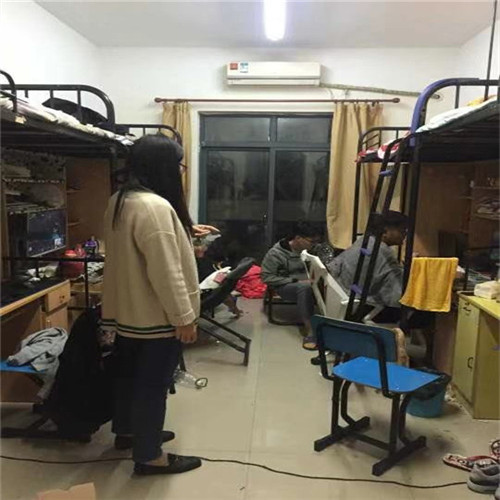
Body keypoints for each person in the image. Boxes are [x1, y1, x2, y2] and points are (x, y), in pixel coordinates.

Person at [102, 134, 217, 476]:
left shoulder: (121, 200)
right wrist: (184, 318)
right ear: (163, 167)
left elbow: (142, 248)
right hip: (155, 318)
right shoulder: (155, 208)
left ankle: (129, 432)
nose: (180, 171)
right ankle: (149, 455)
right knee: (152, 388)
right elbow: (167, 272)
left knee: (130, 380)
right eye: (178, 164)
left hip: (129, 314)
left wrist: (184, 230)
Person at [261, 222, 322, 350]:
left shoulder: (310, 250)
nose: (314, 245)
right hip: (285, 286)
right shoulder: (276, 254)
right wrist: (296, 281)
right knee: (304, 288)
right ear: (298, 238)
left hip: (309, 281)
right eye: (311, 241)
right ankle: (310, 330)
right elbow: (267, 278)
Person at [329, 211, 408, 310]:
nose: (405, 234)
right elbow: (397, 292)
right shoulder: (382, 252)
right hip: (360, 306)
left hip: (341, 296)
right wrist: (409, 267)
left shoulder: (364, 241)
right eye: (402, 230)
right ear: (385, 232)